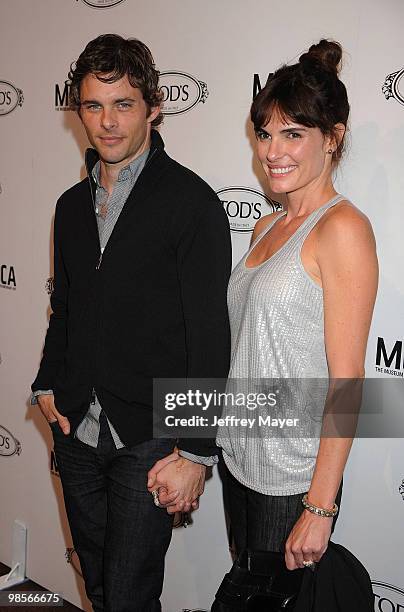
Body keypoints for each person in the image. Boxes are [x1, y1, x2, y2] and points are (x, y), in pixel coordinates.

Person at [31, 33, 230, 612]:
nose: (108, 122)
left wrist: (194, 452)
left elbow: (209, 337)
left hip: (149, 438)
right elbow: (64, 308)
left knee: (129, 596)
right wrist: (47, 384)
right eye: (93, 106)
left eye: (124, 104)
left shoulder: (190, 203)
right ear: (79, 113)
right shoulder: (70, 206)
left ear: (154, 106)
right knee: (97, 588)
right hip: (77, 431)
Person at [215, 39, 378, 575]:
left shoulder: (343, 229)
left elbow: (348, 378)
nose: (271, 151)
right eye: (265, 134)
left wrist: (320, 504)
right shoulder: (266, 225)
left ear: (332, 138)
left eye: (292, 134)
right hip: (238, 461)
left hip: (291, 481)